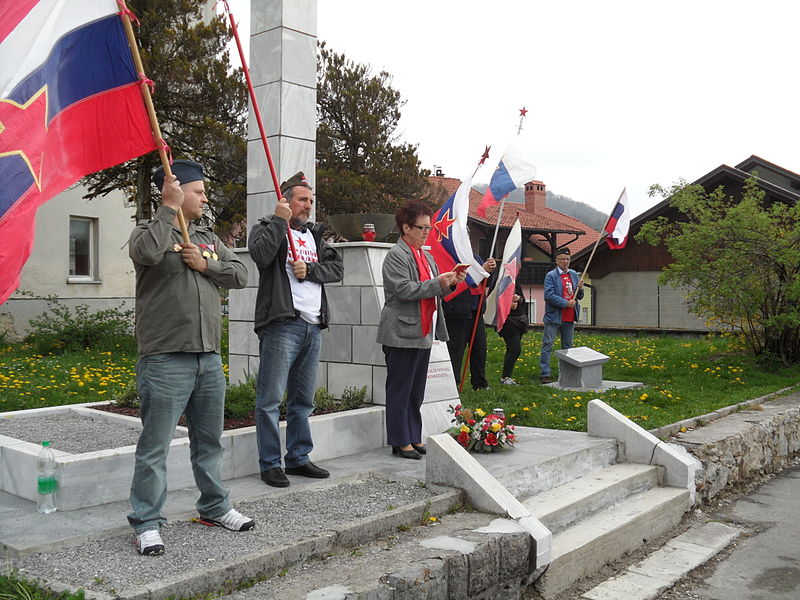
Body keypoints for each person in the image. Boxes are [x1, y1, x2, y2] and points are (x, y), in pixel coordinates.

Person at [128, 160, 255, 556]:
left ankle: (215, 507)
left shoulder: (206, 237)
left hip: (208, 358)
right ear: (177, 191)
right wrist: (166, 209)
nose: (205, 198)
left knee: (209, 441)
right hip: (165, 359)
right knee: (155, 447)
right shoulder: (149, 232)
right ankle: (147, 523)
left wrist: (206, 264)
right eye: (198, 191)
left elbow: (239, 274)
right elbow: (147, 254)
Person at [249, 172, 343, 488]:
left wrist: (311, 270)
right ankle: (270, 463)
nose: (308, 206)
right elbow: (261, 256)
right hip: (281, 325)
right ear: (286, 200)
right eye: (303, 200)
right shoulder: (265, 228)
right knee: (270, 399)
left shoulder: (314, 236)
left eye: (311, 201)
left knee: (303, 400)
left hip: (312, 326)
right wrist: (279, 221)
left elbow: (337, 269)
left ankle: (299, 458)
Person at [376, 200, 466, 459]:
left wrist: (452, 283)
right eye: (421, 227)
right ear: (405, 227)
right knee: (400, 389)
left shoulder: (425, 255)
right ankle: (399, 440)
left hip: (422, 331)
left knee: (416, 391)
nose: (427, 232)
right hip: (401, 333)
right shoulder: (396, 255)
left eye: (429, 228)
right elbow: (404, 290)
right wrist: (438, 283)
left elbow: (435, 292)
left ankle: (413, 436)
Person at [443, 256, 496, 390]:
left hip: (476, 310)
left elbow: (487, 282)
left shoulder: (476, 257)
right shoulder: (451, 254)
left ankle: (479, 383)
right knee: (456, 350)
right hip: (457, 311)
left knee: (479, 348)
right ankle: (452, 384)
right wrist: (480, 271)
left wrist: (490, 270)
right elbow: (453, 281)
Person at [540, 247, 584, 383]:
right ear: (557, 260)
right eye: (562, 259)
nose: (565, 261)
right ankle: (545, 373)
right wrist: (565, 303)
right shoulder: (551, 276)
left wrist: (580, 288)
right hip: (554, 316)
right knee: (548, 344)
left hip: (570, 316)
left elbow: (579, 296)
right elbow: (548, 295)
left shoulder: (573, 275)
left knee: (568, 347)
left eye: (567, 259)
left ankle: (567, 374)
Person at [498, 282, 528, 385]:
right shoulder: (501, 281)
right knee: (515, 349)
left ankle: (506, 376)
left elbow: (523, 301)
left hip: (519, 321)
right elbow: (495, 299)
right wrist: (508, 305)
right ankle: (505, 377)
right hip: (507, 321)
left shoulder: (516, 283)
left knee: (511, 349)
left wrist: (518, 299)